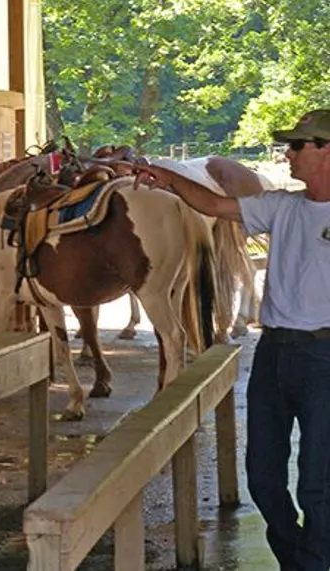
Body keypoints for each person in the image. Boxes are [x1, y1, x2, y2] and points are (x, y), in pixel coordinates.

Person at [133, 109, 330, 571]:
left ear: (326, 150)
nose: (288, 154)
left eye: (298, 146)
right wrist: (162, 176)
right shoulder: (282, 206)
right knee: (261, 478)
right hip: (273, 353)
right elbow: (213, 206)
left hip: (325, 358)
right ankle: (301, 560)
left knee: (318, 485)